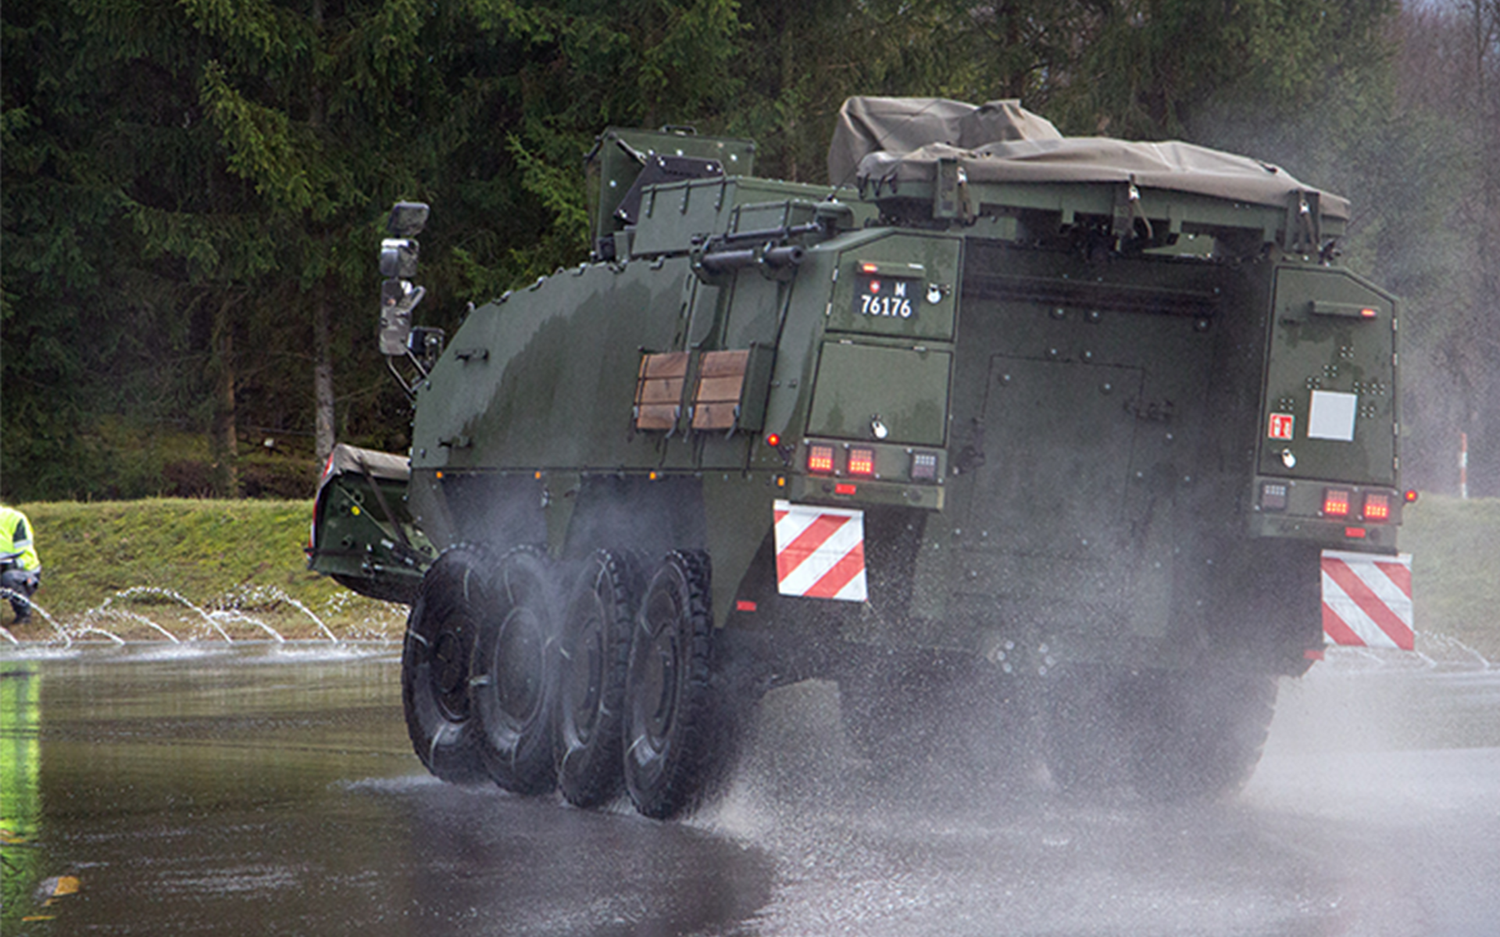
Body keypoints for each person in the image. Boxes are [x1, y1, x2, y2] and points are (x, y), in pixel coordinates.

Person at [0, 503, 42, 624]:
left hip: (24, 572)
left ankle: (24, 615)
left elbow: (27, 555)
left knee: (9, 578)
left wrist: (10, 565)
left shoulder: (14, 519)